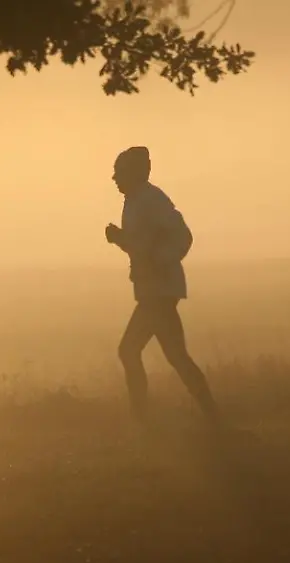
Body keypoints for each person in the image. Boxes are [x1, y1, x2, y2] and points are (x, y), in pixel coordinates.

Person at [105, 145, 219, 427]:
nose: (114, 178)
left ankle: (143, 423)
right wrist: (121, 239)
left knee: (129, 350)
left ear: (134, 173)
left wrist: (158, 261)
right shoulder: (136, 200)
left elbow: (182, 236)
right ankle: (212, 416)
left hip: (158, 292)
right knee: (176, 357)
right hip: (154, 291)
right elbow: (142, 246)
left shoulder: (151, 200)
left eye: (118, 172)